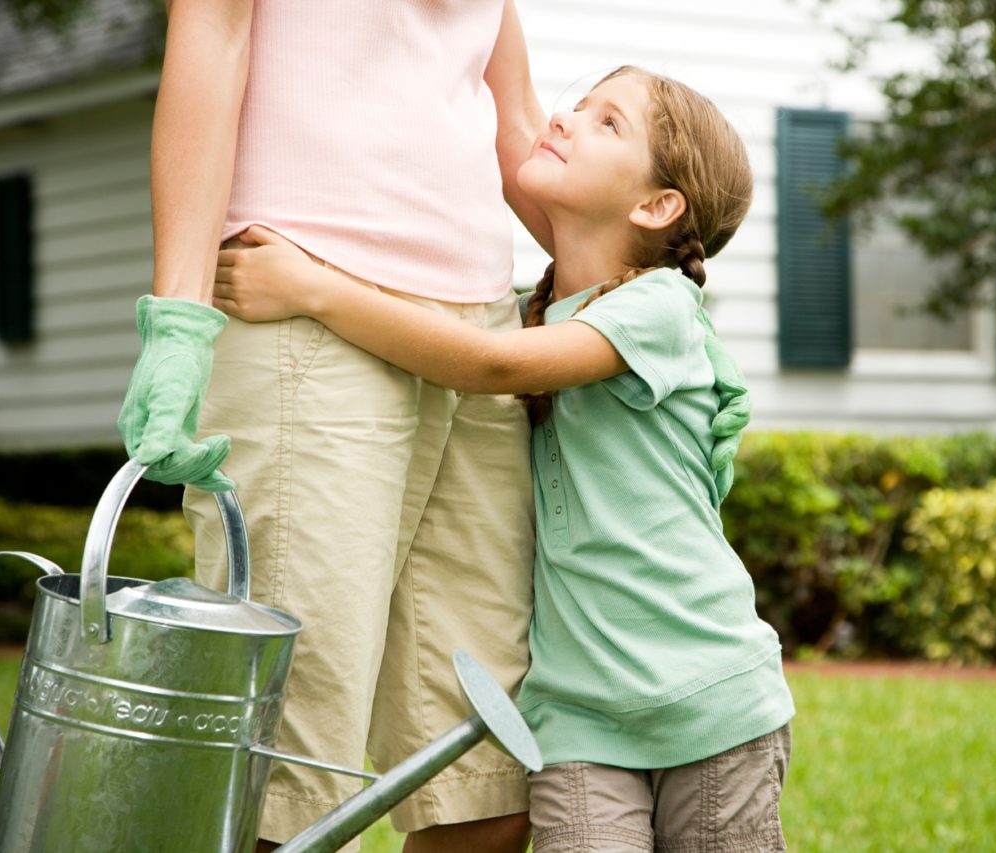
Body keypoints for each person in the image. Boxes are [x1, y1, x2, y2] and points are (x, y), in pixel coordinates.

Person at [213, 66, 796, 852]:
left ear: (657, 206)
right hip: (578, 715)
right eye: (580, 102)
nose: (566, 117)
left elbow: (491, 367)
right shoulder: (550, 307)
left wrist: (314, 289)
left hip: (709, 698)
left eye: (607, 123)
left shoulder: (659, 309)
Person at [115, 2, 557, 850]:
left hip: (478, 333)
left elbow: (517, 119)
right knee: (291, 791)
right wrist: (178, 317)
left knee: (488, 782)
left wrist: (646, 295)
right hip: (303, 304)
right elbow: (214, 31)